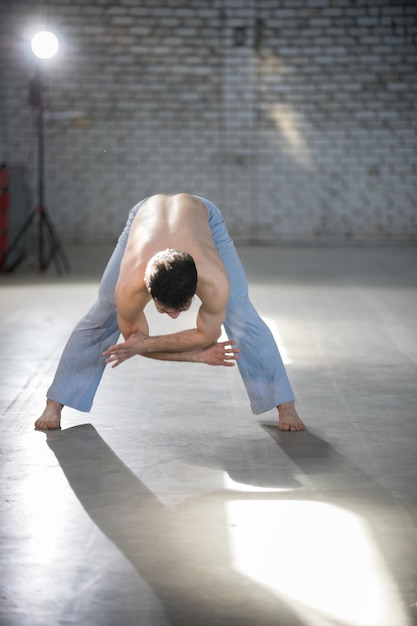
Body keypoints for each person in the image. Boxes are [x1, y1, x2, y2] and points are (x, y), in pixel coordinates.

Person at [35, 193, 305, 432]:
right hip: (143, 216)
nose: (174, 318)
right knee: (103, 309)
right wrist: (196, 355)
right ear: (149, 292)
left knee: (240, 310)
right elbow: (135, 344)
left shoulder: (214, 282)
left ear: (195, 287)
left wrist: (159, 346)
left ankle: (285, 404)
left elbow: (195, 338)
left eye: (182, 309)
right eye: (163, 309)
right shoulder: (129, 289)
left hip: (203, 216)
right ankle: (54, 404)